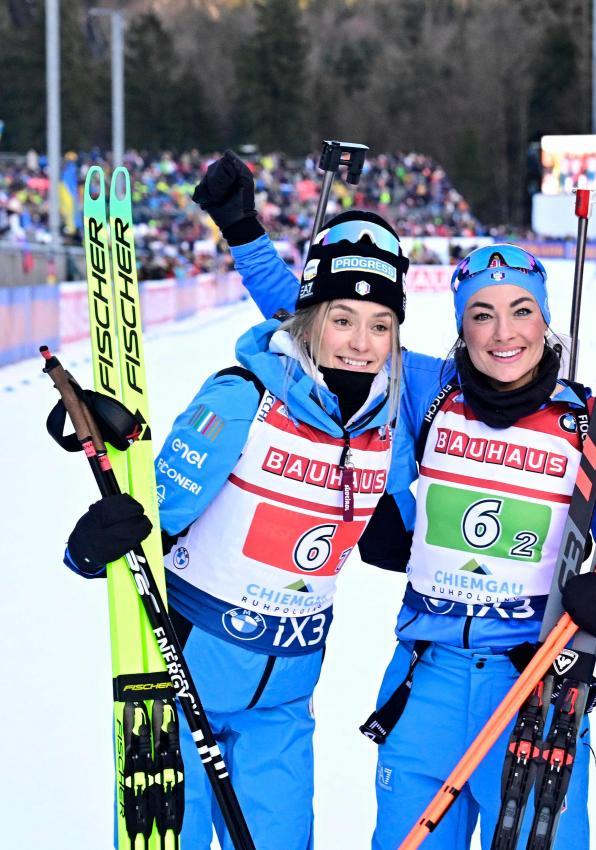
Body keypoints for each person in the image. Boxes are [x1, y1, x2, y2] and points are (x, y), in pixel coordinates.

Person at [195, 151, 596, 850]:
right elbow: (321, 324)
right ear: (460, 326)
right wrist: (244, 234)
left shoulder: (592, 424)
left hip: (535, 685)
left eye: (521, 311)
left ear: (544, 320)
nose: (503, 333)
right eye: (481, 315)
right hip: (425, 684)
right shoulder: (427, 390)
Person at [63, 198, 408, 848]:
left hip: (283, 706)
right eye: (342, 320)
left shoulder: (387, 428)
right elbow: (147, 526)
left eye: (380, 325)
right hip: (182, 687)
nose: (361, 344)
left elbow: (400, 543)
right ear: (309, 318)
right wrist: (90, 547)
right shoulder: (242, 399)